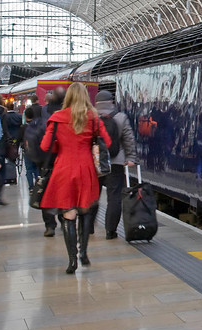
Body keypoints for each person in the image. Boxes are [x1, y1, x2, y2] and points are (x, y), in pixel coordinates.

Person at [40, 82, 110, 273]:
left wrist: (60, 146)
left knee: (68, 214)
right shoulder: (94, 118)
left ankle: (72, 261)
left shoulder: (57, 118)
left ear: (67, 97)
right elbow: (108, 142)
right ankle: (84, 252)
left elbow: (46, 146)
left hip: (63, 169)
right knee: (85, 211)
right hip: (86, 168)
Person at [94, 90, 138, 240]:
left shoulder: (89, 118)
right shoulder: (120, 117)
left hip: (94, 163)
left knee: (93, 195)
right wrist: (131, 157)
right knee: (114, 197)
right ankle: (110, 231)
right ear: (111, 102)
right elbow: (129, 139)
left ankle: (88, 228)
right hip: (115, 163)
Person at [38, 86, 67, 236]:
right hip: (63, 160)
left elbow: (41, 141)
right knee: (63, 192)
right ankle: (65, 220)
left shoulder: (43, 112)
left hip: (46, 159)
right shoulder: (69, 114)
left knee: (46, 192)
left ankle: (50, 225)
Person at [22, 105, 40, 191]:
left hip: (27, 151)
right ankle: (38, 185)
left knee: (28, 169)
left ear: (25, 116)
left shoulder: (23, 127)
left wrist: (15, 143)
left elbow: (18, 138)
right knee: (36, 168)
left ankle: (31, 187)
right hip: (36, 150)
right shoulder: (37, 126)